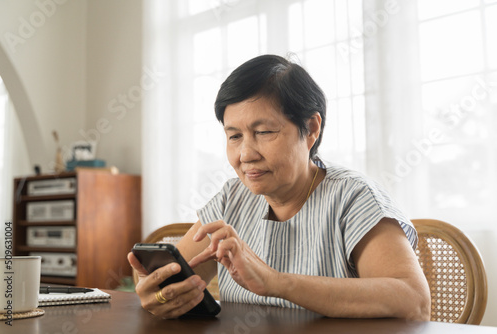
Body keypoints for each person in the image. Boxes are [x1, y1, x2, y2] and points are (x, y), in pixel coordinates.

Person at [128, 54, 431, 320]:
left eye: (263, 131)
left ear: (311, 129)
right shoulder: (231, 199)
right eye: (234, 136)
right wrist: (158, 290)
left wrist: (276, 282)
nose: (245, 154)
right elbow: (176, 279)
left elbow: (413, 301)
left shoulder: (353, 197)